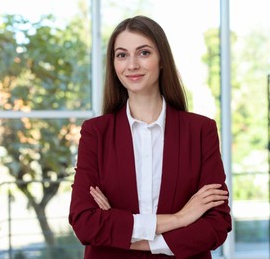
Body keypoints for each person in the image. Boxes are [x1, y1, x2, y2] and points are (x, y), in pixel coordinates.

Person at [69, 15, 232, 258]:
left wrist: (134, 238)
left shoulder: (200, 130)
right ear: (113, 64)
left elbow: (216, 225)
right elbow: (85, 222)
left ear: (162, 59)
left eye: (144, 53)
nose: (132, 65)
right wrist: (181, 218)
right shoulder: (95, 133)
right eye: (122, 55)